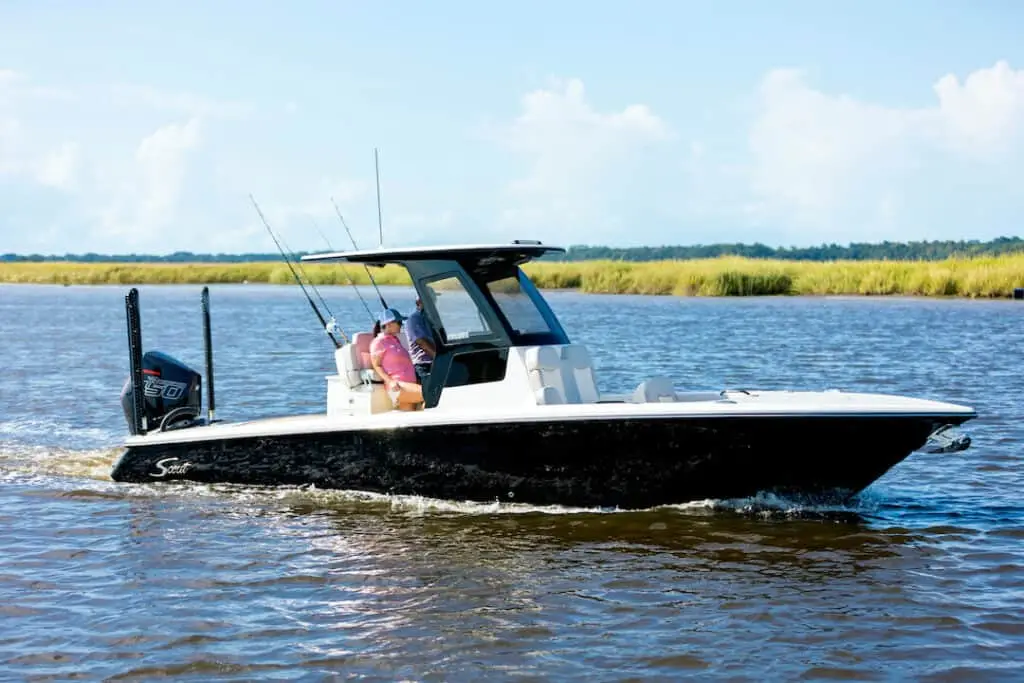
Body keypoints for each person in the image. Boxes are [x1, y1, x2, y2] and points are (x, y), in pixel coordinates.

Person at [369, 308, 424, 411]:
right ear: (388, 324)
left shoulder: (395, 340)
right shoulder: (378, 342)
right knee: (430, 394)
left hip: (409, 385)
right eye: (399, 322)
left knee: (411, 416)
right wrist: (390, 382)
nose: (401, 325)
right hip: (397, 386)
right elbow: (376, 365)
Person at [403, 296, 436, 382]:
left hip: (435, 362)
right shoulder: (414, 319)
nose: (433, 302)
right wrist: (439, 360)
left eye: (434, 299)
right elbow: (422, 343)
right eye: (430, 299)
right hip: (424, 366)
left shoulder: (432, 318)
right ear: (418, 303)